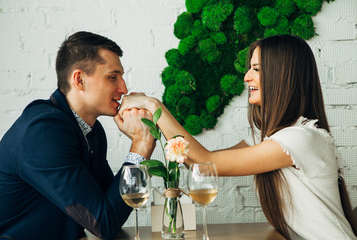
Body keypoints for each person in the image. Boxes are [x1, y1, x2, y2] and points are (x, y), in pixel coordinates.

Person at [119, 35, 357, 239]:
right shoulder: (271, 138)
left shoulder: (301, 139)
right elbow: (201, 166)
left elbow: (203, 160)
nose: (246, 77)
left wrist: (153, 104)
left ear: (282, 76)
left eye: (257, 69)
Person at [0, 31, 156, 240]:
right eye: (112, 77)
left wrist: (140, 148)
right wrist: (141, 146)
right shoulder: (44, 131)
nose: (124, 88)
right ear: (79, 79)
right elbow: (104, 224)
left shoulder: (92, 132)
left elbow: (112, 211)